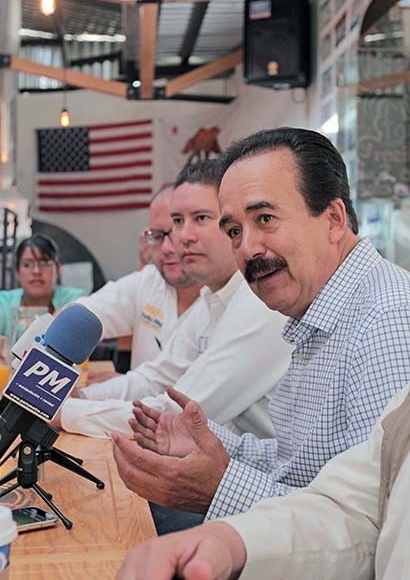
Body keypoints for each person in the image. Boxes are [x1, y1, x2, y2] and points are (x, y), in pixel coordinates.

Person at [112, 127, 410, 530]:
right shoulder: (317, 316)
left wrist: (219, 486)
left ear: (334, 219)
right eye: (234, 231)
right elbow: (301, 466)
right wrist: (212, 445)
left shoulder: (387, 322)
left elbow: (376, 528)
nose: (247, 248)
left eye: (265, 219)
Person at [58, 160, 290, 446]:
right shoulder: (212, 298)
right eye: (178, 221)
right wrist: (79, 397)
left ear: (234, 224)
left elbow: (179, 416)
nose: (183, 237)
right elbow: (157, 379)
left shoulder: (259, 301)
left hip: (272, 483)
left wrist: (64, 411)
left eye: (201, 218)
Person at [114, 380, 410, 580]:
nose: (250, 289)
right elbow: (359, 510)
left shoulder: (385, 316)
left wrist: (221, 488)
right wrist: (231, 541)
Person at [76, 183, 201, 381]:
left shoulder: (224, 298)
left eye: (176, 231)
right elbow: (83, 313)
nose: (168, 248)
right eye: (157, 236)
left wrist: (123, 391)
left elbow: (187, 402)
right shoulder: (150, 280)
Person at [0, 234, 85, 337]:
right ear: (17, 271)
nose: (36, 271)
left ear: (58, 269)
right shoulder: (3, 303)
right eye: (27, 264)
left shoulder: (74, 300)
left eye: (44, 263)